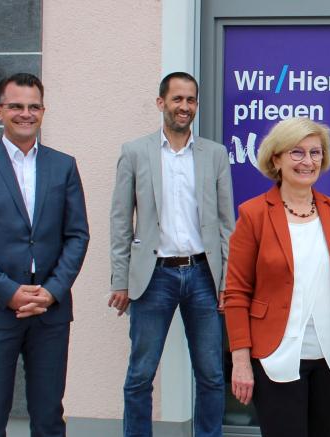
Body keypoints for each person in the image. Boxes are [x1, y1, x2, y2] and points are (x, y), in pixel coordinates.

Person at [0, 73, 90, 437]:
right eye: (16, 106)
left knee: (48, 418)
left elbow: (77, 236)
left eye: (33, 106)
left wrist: (52, 290)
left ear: (43, 112)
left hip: (50, 311)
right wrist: (9, 291)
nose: (25, 114)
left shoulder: (64, 166)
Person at [224, 117, 330, 437]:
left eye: (315, 152)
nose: (307, 161)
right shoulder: (253, 214)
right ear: (276, 158)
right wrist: (240, 362)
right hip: (276, 357)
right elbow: (236, 293)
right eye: (297, 152)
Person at [108, 72, 234, 437]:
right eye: (177, 99)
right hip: (154, 276)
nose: (185, 107)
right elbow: (120, 220)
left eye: (191, 100)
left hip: (203, 276)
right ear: (161, 102)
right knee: (141, 374)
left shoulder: (215, 154)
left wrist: (227, 280)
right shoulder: (135, 152)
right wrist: (120, 279)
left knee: (211, 374)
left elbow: (228, 223)